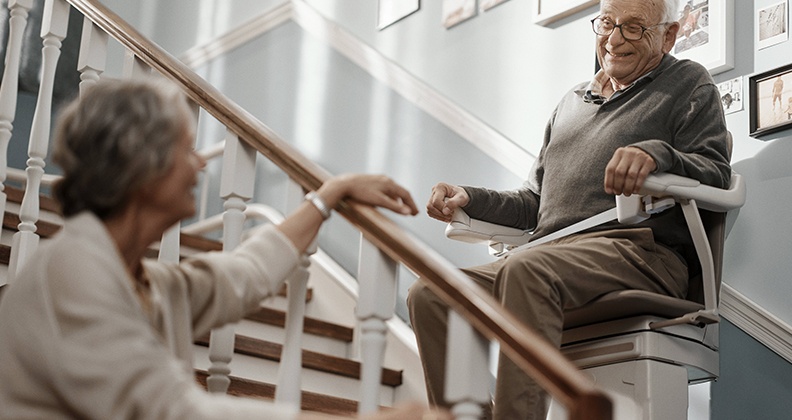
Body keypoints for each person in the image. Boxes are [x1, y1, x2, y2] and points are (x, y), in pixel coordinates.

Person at [0, 79, 453, 420]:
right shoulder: (71, 275)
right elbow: (179, 413)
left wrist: (329, 195)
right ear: (142, 164)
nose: (200, 165)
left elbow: (246, 273)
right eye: (186, 150)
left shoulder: (146, 283)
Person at [407, 0, 732, 419]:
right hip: (552, 256)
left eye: (634, 28)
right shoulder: (572, 102)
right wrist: (470, 198)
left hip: (638, 251)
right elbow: (534, 203)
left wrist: (658, 154)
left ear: (669, 36)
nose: (614, 39)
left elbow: (716, 173)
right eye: (608, 24)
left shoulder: (689, 83)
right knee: (431, 293)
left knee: (524, 269)